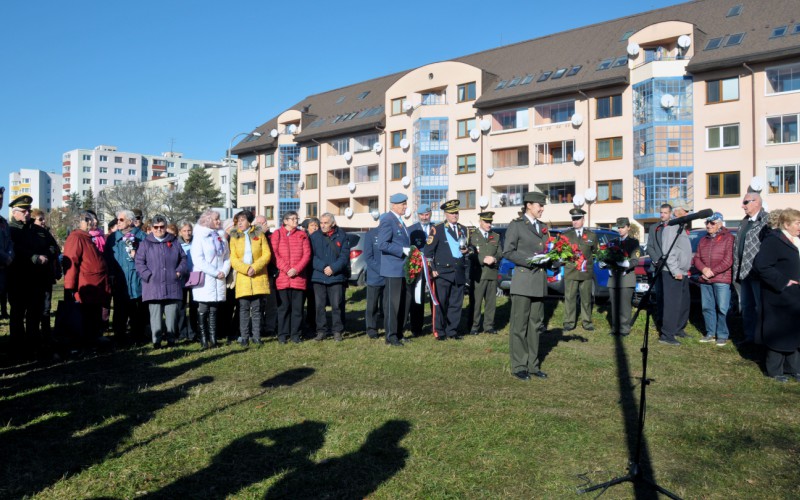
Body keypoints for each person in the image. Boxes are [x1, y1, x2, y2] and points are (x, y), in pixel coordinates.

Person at [503, 192, 551, 380]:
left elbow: (547, 250)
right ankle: (519, 366)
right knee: (519, 326)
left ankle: (533, 365)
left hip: (538, 282)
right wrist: (531, 261)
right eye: (540, 205)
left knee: (535, 325)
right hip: (523, 282)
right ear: (529, 205)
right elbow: (508, 251)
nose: (542, 208)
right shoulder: (516, 226)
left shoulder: (543, 227)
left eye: (542, 205)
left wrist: (555, 260)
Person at [753, 208, 800, 382]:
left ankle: (793, 369)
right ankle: (774, 371)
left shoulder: (795, 240)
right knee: (779, 333)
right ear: (786, 224)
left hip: (794, 296)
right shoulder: (774, 240)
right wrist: (783, 282)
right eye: (797, 223)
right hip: (779, 295)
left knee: (793, 332)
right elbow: (762, 265)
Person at [7, 195, 52, 356]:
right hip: (18, 279)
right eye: (24, 210)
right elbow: (14, 250)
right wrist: (33, 257)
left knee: (34, 313)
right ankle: (17, 347)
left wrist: (49, 254)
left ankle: (33, 344)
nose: (27, 213)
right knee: (18, 314)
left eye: (29, 210)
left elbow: (50, 245)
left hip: (36, 279)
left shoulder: (36, 230)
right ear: (15, 212)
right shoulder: (10, 229)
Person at [134, 215, 187, 348]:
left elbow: (183, 259)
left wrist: (179, 271)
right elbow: (139, 262)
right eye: (156, 227)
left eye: (162, 227)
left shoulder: (174, 242)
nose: (159, 229)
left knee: (171, 315)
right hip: (153, 285)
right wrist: (148, 275)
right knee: (155, 315)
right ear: (151, 228)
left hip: (172, 283)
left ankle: (171, 339)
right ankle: (156, 341)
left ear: (165, 227)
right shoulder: (145, 243)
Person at [61, 210, 111, 349]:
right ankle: (84, 343)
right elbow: (71, 262)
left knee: (94, 317)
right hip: (86, 287)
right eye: (91, 220)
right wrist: (69, 287)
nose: (94, 223)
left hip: (95, 287)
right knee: (85, 318)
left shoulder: (86, 237)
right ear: (84, 221)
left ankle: (92, 340)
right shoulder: (76, 237)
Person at [425, 199, 470, 341]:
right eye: (451, 213)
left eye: (456, 212)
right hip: (442, 273)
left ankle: (452, 331)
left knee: (456, 304)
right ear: (446, 214)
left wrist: (469, 250)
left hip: (458, 272)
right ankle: (440, 331)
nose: (455, 215)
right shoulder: (437, 229)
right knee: (441, 303)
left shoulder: (464, 229)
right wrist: (433, 269)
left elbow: (471, 248)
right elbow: (428, 252)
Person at [732, 191, 770, 345]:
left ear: (757, 202)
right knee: (746, 307)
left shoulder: (766, 221)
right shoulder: (744, 221)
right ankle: (749, 337)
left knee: (760, 308)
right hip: (742, 272)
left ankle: (762, 339)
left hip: (757, 273)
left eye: (746, 202)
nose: (743, 206)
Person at [229, 210, 271, 346]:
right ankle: (245, 337)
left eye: (242, 220)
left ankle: (257, 336)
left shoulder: (258, 233)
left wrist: (255, 267)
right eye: (237, 221)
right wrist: (246, 269)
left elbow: (266, 254)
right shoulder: (234, 236)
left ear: (249, 221)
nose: (239, 223)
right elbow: (233, 258)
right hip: (243, 277)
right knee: (243, 309)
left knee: (257, 309)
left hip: (258, 276)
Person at [105, 209, 146, 345]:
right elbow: (107, 259)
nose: (118, 222)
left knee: (136, 311)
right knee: (119, 310)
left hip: (136, 279)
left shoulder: (142, 237)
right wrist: (111, 274)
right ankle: (120, 337)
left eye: (121, 220)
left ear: (130, 221)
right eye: (118, 219)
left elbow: (149, 258)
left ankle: (137, 337)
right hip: (119, 280)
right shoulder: (112, 238)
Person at [191, 210, 230, 349]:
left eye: (219, 219)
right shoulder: (200, 236)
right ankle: (203, 339)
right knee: (203, 308)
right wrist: (214, 272)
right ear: (208, 220)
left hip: (219, 277)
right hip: (205, 277)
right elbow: (198, 259)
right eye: (216, 219)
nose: (219, 221)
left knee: (214, 308)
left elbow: (227, 257)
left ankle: (213, 339)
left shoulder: (221, 236)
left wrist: (224, 271)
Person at [693, 212, 734, 346]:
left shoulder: (728, 238)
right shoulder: (703, 239)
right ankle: (710, 333)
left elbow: (728, 260)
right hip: (705, 279)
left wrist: (712, 272)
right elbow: (697, 258)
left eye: (712, 223)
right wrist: (704, 270)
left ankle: (722, 334)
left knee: (722, 308)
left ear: (720, 224)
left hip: (721, 278)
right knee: (707, 307)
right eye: (707, 223)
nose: (709, 225)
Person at [309, 213, 351, 342]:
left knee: (336, 305)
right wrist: (323, 267)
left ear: (332, 223)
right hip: (319, 276)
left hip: (336, 276)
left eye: (326, 223)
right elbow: (311, 256)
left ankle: (337, 331)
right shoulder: (314, 237)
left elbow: (344, 257)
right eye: (321, 223)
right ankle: (321, 331)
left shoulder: (342, 236)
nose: (322, 225)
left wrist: (333, 268)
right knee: (319, 306)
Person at [271, 211, 311, 344]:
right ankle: (282, 334)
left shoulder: (302, 235)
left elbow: (307, 255)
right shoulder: (277, 234)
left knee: (298, 308)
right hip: (283, 277)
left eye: (296, 218)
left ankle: (296, 334)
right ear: (285, 221)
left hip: (298, 278)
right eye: (293, 219)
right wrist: (287, 269)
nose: (296, 221)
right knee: (284, 308)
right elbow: (274, 254)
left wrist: (296, 269)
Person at [378, 193, 413, 347]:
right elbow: (383, 244)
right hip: (393, 269)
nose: (405, 207)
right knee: (393, 304)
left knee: (403, 303)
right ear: (393, 205)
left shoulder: (399, 221)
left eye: (405, 204)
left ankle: (398, 332)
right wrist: (402, 250)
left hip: (402, 269)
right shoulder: (387, 220)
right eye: (402, 204)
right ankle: (390, 336)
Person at [658, 206, 692, 346]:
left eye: (688, 211)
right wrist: (675, 270)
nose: (687, 213)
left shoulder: (681, 227)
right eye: (685, 210)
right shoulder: (671, 227)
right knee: (672, 305)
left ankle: (678, 329)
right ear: (676, 212)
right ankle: (667, 335)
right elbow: (668, 251)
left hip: (682, 272)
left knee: (683, 303)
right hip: (673, 272)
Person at [562, 207, 598, 332]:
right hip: (571, 271)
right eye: (573, 219)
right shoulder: (566, 235)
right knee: (570, 298)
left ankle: (587, 322)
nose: (575, 221)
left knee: (586, 298)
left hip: (585, 272)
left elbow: (595, 252)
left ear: (583, 219)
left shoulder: (592, 236)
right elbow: (561, 253)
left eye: (577, 219)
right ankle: (569, 322)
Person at [468, 211, 503, 335]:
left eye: (490, 222)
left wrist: (495, 259)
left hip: (492, 273)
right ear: (480, 222)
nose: (489, 224)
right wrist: (483, 259)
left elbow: (500, 253)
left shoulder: (496, 236)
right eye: (486, 222)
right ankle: (474, 326)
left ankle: (489, 326)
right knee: (476, 302)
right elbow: (470, 254)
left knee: (491, 302)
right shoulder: (473, 236)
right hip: (479, 274)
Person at [606, 217, 641, 336]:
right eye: (619, 227)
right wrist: (605, 264)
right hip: (613, 277)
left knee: (625, 305)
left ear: (628, 227)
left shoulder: (633, 242)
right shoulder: (613, 242)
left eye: (622, 227)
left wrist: (626, 265)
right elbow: (607, 256)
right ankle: (615, 328)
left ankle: (624, 329)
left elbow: (635, 260)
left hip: (626, 277)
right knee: (614, 304)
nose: (620, 230)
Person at [31, 209, 62, 338]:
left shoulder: (46, 233)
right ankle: (34, 335)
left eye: (44, 219)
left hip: (47, 275)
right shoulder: (30, 232)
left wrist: (48, 252)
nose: (44, 221)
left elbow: (56, 248)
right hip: (34, 276)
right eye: (40, 219)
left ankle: (46, 334)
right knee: (35, 309)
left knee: (46, 307)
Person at [407, 205, 434, 337]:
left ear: (430, 214)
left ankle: (436, 325)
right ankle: (416, 327)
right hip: (418, 268)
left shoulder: (436, 228)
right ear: (418, 215)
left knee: (435, 295)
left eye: (427, 214)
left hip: (434, 267)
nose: (425, 217)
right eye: (422, 215)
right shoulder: (411, 230)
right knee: (417, 297)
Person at [647, 203, 672, 330]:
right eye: (661, 212)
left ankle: (670, 322)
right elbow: (650, 246)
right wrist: (657, 260)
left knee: (670, 296)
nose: (662, 215)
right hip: (658, 267)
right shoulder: (654, 227)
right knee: (660, 295)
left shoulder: (674, 226)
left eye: (665, 213)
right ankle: (660, 320)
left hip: (671, 267)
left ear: (670, 213)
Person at [253, 214, 277, 339]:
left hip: (269, 274)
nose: (261, 225)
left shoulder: (271, 236)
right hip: (256, 274)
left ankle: (270, 327)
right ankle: (258, 327)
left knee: (270, 303)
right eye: (258, 223)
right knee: (257, 304)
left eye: (263, 223)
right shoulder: (252, 236)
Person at [176, 221, 198, 342]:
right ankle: (182, 332)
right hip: (182, 277)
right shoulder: (176, 244)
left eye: (189, 230)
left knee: (194, 306)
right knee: (181, 306)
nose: (187, 233)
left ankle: (193, 331)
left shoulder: (197, 242)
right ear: (180, 232)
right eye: (184, 231)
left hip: (194, 275)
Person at [363, 223, 384, 339]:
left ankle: (387, 325)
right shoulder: (371, 234)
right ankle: (371, 329)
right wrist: (381, 270)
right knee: (372, 305)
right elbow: (368, 256)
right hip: (375, 276)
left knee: (386, 305)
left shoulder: (392, 233)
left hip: (389, 276)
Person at [301, 217, 320, 336]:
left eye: (316, 225)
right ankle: (302, 324)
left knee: (313, 302)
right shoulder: (303, 238)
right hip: (303, 274)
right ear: (307, 228)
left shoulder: (321, 239)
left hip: (315, 274)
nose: (315, 227)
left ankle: (312, 324)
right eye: (312, 225)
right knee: (300, 301)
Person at [0, 186, 13, 322]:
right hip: (2, 260)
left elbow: (10, 241)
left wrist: (10, 255)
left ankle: (3, 311)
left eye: (2, 199)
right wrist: (5, 256)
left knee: (3, 290)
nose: (0, 201)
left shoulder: (3, 222)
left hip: (5, 265)